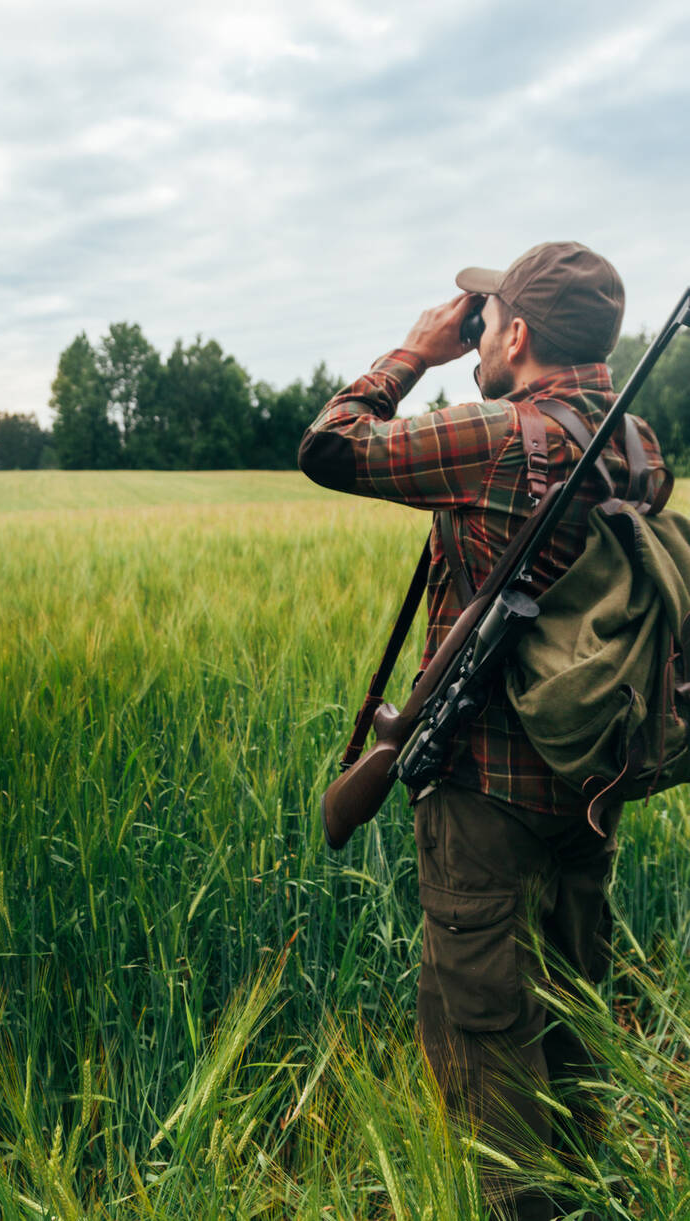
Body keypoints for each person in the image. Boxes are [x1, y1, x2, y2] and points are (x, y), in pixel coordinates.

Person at [297, 241, 666, 1220]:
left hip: (484, 799)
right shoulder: (634, 446)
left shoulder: (495, 435)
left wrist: (413, 353)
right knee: (571, 1033)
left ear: (518, 335)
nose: (473, 335)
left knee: (485, 1061)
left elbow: (329, 444)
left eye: (484, 319)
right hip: (587, 789)